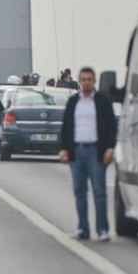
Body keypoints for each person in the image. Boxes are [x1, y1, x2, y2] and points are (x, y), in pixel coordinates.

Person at [59, 67, 117, 242]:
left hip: (96, 152)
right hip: (76, 152)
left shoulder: (103, 102)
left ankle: (102, 229)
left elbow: (111, 127)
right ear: (79, 81)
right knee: (79, 191)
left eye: (89, 80)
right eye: (83, 80)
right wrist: (63, 149)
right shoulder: (72, 102)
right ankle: (83, 228)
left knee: (99, 191)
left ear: (94, 81)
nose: (86, 83)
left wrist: (109, 149)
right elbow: (66, 127)